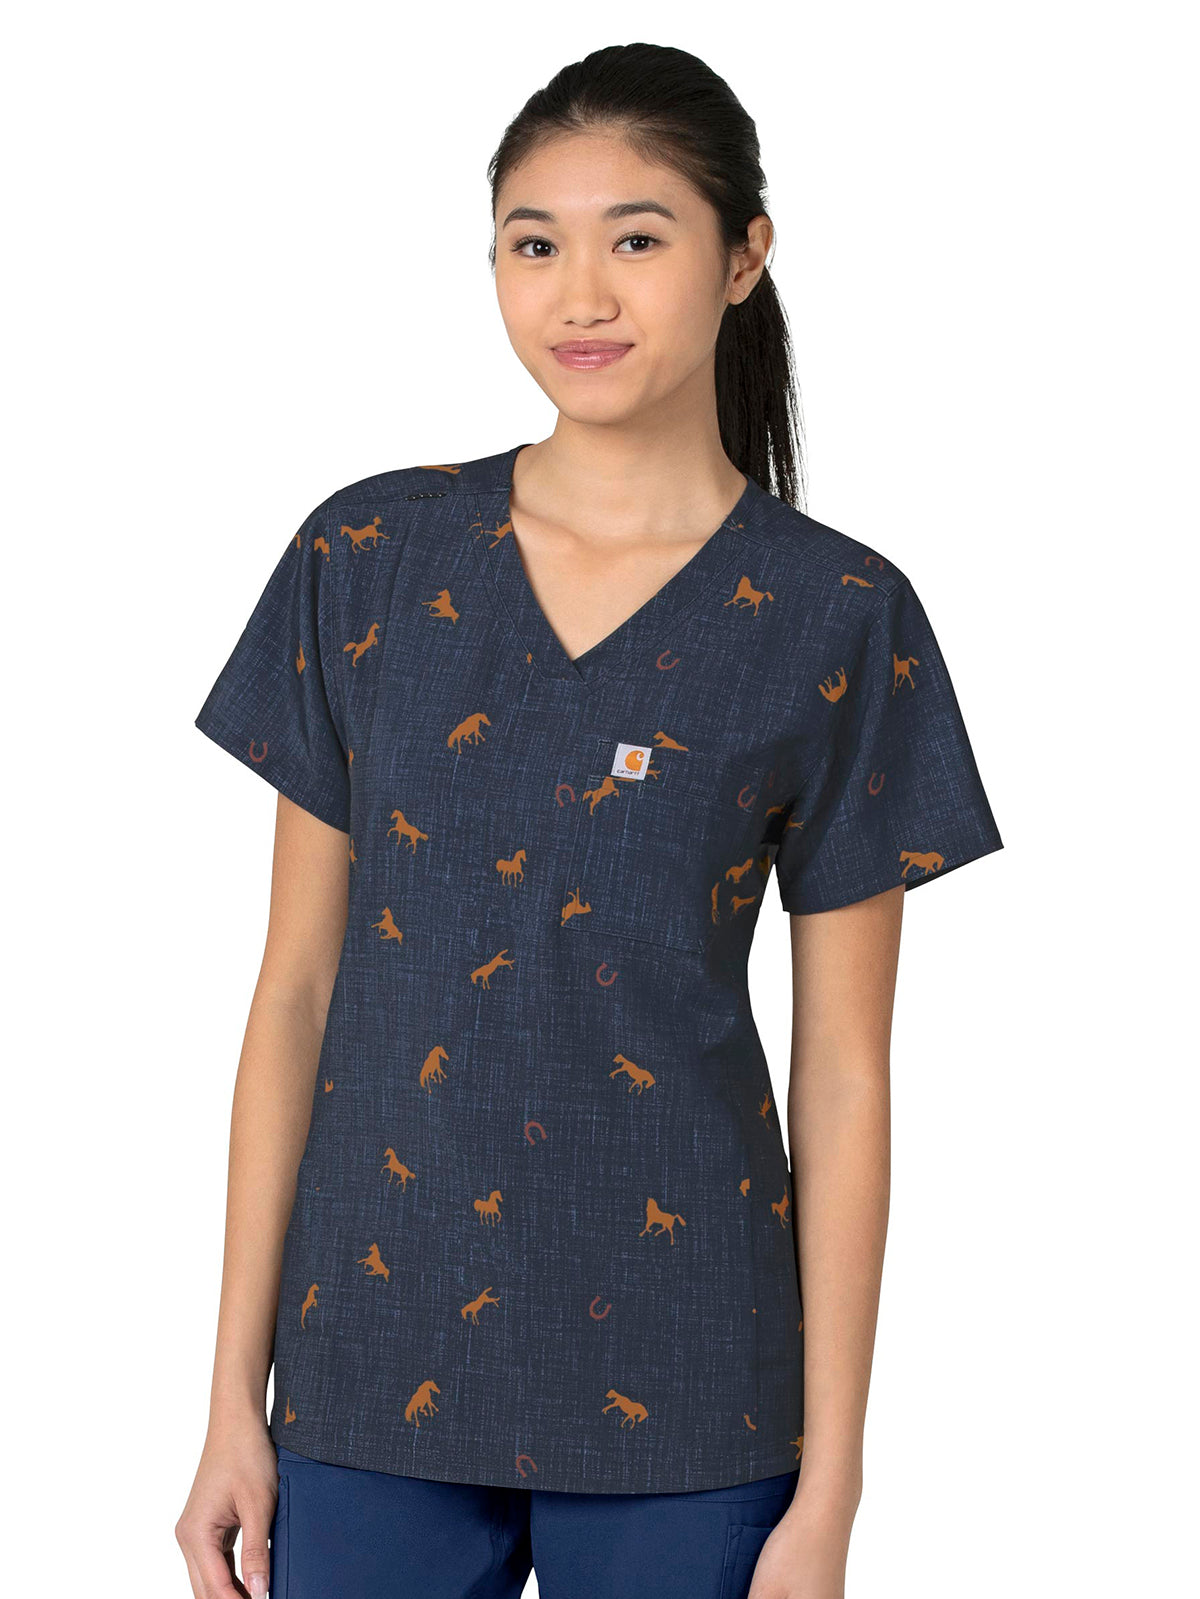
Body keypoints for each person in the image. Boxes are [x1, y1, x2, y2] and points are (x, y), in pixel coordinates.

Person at [175, 41, 1003, 1599]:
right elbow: (294, 993)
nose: (581, 296)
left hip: (695, 1395)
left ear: (744, 257)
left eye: (637, 238)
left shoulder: (835, 614)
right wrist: (232, 1394)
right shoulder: (368, 558)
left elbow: (844, 1074)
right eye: (533, 244)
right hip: (365, 1372)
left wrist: (832, 1487)